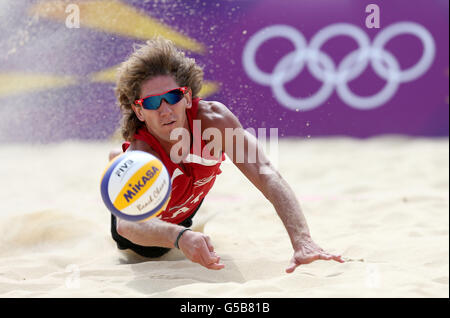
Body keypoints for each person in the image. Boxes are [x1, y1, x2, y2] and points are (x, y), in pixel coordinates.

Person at [109, 37, 344, 272]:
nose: (165, 110)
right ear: (139, 111)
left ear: (187, 97)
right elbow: (127, 226)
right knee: (151, 248)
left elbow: (267, 174)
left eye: (172, 97)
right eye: (151, 103)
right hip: (148, 240)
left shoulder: (214, 121)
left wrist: (303, 242)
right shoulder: (141, 156)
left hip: (187, 204)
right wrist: (180, 237)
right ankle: (115, 169)